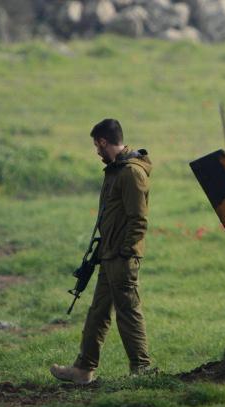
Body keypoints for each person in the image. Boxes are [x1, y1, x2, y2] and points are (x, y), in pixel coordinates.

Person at [50, 119, 153, 384]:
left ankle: (142, 370)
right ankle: (83, 369)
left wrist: (126, 252)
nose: (96, 151)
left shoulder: (131, 173)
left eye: (97, 145)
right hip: (109, 255)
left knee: (128, 312)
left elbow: (138, 219)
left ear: (104, 142)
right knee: (98, 313)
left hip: (121, 257)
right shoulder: (116, 170)